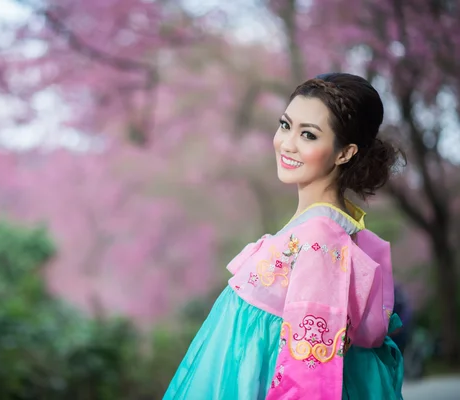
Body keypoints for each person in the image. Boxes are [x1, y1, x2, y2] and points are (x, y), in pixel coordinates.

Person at [163, 73, 405, 399]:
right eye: (286, 125)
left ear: (344, 153)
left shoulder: (319, 242)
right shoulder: (322, 231)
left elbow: (310, 372)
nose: (286, 143)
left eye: (308, 135)